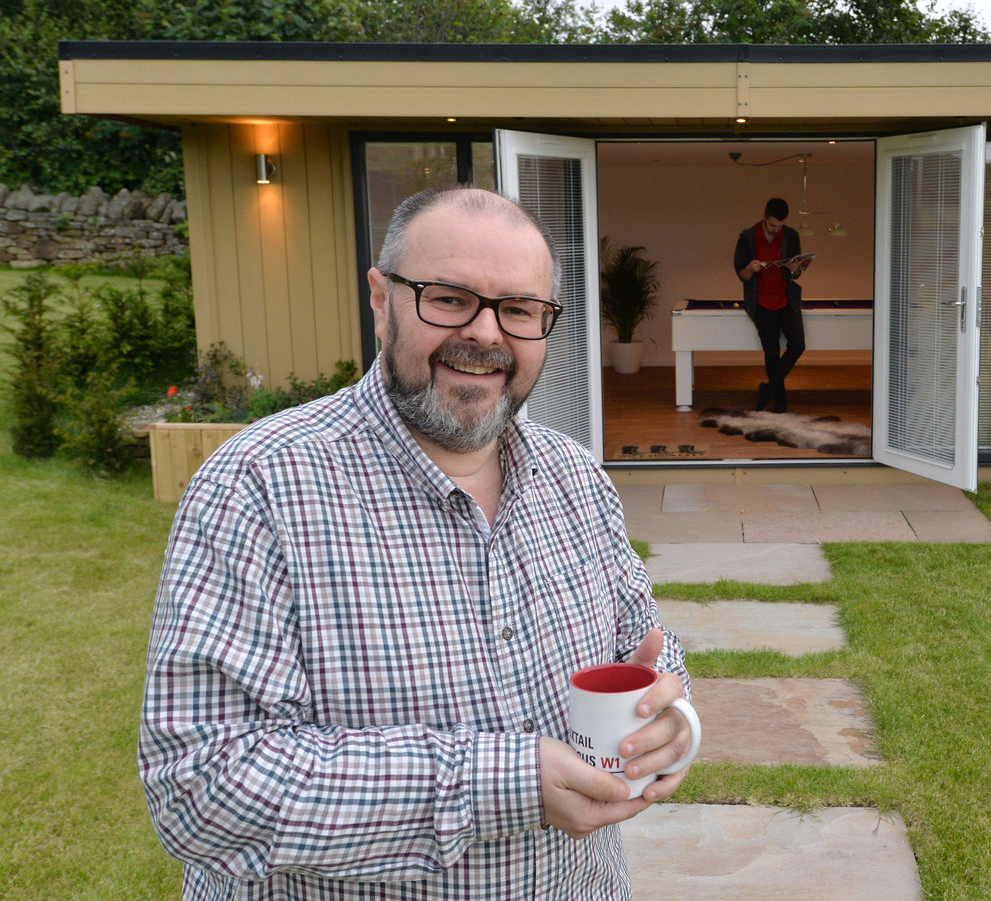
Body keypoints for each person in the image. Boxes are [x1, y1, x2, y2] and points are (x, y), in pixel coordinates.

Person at [139, 186, 695, 899]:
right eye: (450, 298)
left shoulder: (576, 479)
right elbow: (202, 788)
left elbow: (641, 646)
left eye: (520, 309)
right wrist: (502, 781)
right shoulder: (259, 487)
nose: (488, 335)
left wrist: (672, 717)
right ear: (381, 300)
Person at [733, 197, 813, 412]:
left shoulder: (790, 236)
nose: (776, 229)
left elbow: (795, 274)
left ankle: (767, 390)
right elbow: (742, 274)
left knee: (797, 345)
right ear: (764, 217)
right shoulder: (747, 238)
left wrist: (797, 268)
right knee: (772, 352)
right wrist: (752, 268)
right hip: (760, 302)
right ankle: (780, 403)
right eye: (772, 225)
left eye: (780, 225)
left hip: (787, 300)